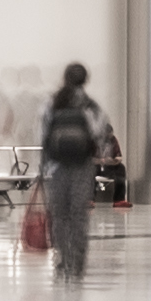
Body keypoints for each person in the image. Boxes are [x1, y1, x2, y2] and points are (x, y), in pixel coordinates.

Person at [41, 60, 106, 279]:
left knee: (60, 214)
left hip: (57, 166)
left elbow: (43, 135)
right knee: (79, 214)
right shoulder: (90, 105)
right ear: (85, 80)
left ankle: (62, 259)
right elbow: (99, 133)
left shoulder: (53, 103)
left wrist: (43, 165)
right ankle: (77, 263)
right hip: (82, 166)